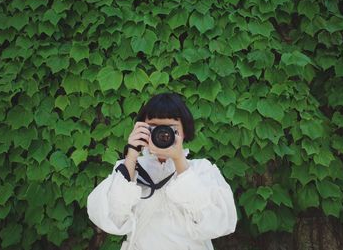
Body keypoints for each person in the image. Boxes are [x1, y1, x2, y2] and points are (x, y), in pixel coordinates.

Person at [87, 92, 237, 250]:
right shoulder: (129, 169)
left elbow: (218, 224)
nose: (162, 134)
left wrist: (179, 160)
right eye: (153, 128)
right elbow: (112, 219)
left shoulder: (202, 170)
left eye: (170, 129)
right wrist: (131, 154)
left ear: (184, 131)